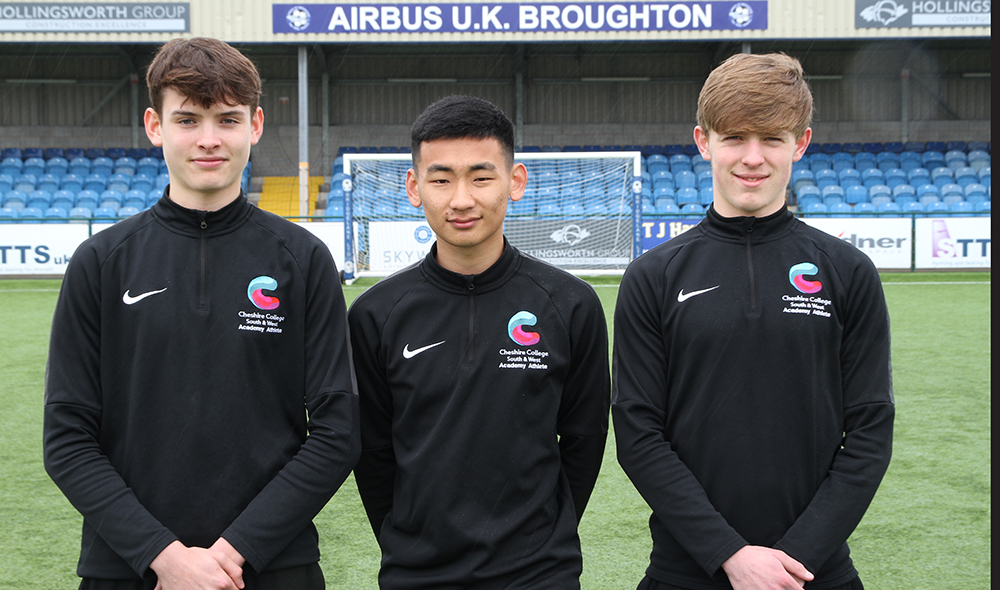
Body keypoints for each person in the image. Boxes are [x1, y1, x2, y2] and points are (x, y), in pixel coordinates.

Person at [43, 37, 360, 590]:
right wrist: (162, 555)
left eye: (227, 119)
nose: (209, 140)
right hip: (127, 567)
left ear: (255, 125)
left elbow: (337, 432)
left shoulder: (304, 260)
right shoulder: (100, 263)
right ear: (154, 125)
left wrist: (237, 550)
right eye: (188, 120)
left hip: (272, 567)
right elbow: (67, 438)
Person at [612, 53, 894, 590]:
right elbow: (638, 433)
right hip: (685, 570)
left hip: (814, 570)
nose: (752, 158)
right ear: (703, 142)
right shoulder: (653, 275)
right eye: (735, 138)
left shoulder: (848, 271)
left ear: (801, 143)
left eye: (772, 138)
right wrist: (730, 554)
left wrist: (792, 557)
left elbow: (869, 429)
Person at [349, 95, 610, 589]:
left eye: (481, 177)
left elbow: (584, 440)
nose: (461, 198)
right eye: (441, 178)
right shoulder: (375, 314)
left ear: (515, 182)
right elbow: (373, 453)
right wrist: (409, 542)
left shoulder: (571, 305)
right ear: (414, 187)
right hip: (416, 574)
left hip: (539, 575)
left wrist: (543, 541)